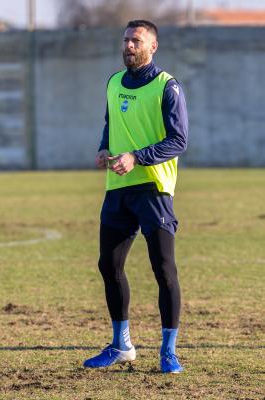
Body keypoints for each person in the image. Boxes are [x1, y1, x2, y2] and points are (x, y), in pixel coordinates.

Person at [83, 19, 188, 373]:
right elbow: (111, 125)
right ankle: (121, 344)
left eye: (136, 41)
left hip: (154, 188)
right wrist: (104, 149)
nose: (128, 46)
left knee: (163, 268)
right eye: (126, 40)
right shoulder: (113, 82)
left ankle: (168, 351)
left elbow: (179, 140)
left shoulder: (166, 86)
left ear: (152, 47)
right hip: (117, 190)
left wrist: (136, 157)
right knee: (108, 266)